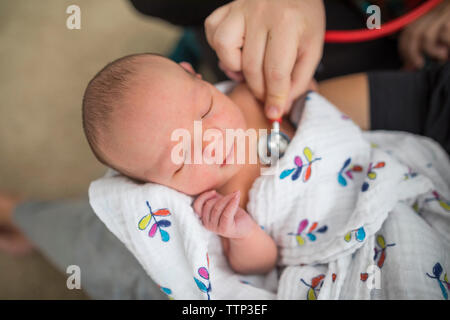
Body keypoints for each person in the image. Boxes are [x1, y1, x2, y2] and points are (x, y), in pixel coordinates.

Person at [0, 0, 448, 299]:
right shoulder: (212, 205)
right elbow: (262, 261)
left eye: (203, 113)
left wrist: (299, 93)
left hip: (365, 183)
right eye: (180, 157)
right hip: (320, 245)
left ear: (197, 76)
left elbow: (308, 96)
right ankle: (30, 221)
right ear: (155, 184)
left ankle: (28, 221)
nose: (207, 143)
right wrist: (238, 231)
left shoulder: (249, 94)